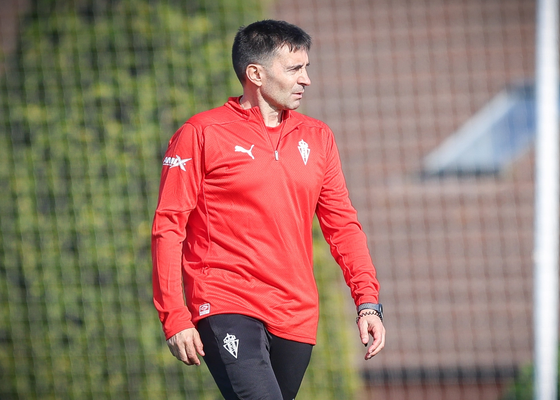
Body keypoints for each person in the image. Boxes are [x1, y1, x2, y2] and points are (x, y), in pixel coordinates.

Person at [151, 19, 385, 400]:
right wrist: (174, 315)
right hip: (225, 301)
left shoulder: (318, 138)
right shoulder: (201, 133)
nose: (306, 79)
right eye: (294, 69)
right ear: (255, 74)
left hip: (295, 315)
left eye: (306, 67)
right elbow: (168, 227)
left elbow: (343, 227)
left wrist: (368, 303)